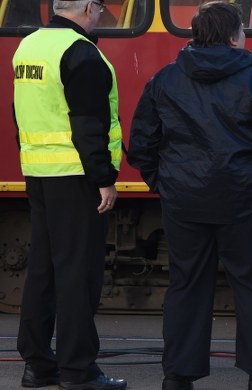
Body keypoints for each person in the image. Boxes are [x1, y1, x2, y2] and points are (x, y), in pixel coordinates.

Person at [127, 2, 252, 390]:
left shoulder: (165, 80)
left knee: (186, 284)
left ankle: (177, 377)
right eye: (243, 30)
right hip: (246, 201)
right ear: (232, 36)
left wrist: (165, 183)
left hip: (184, 201)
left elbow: (141, 144)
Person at [12, 0, 127, 389]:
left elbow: (21, 113)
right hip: (76, 177)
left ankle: (37, 364)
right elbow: (88, 125)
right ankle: (78, 370)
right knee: (78, 274)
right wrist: (104, 178)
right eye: (101, 8)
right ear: (89, 9)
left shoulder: (28, 45)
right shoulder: (81, 53)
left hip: (38, 173)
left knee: (43, 271)